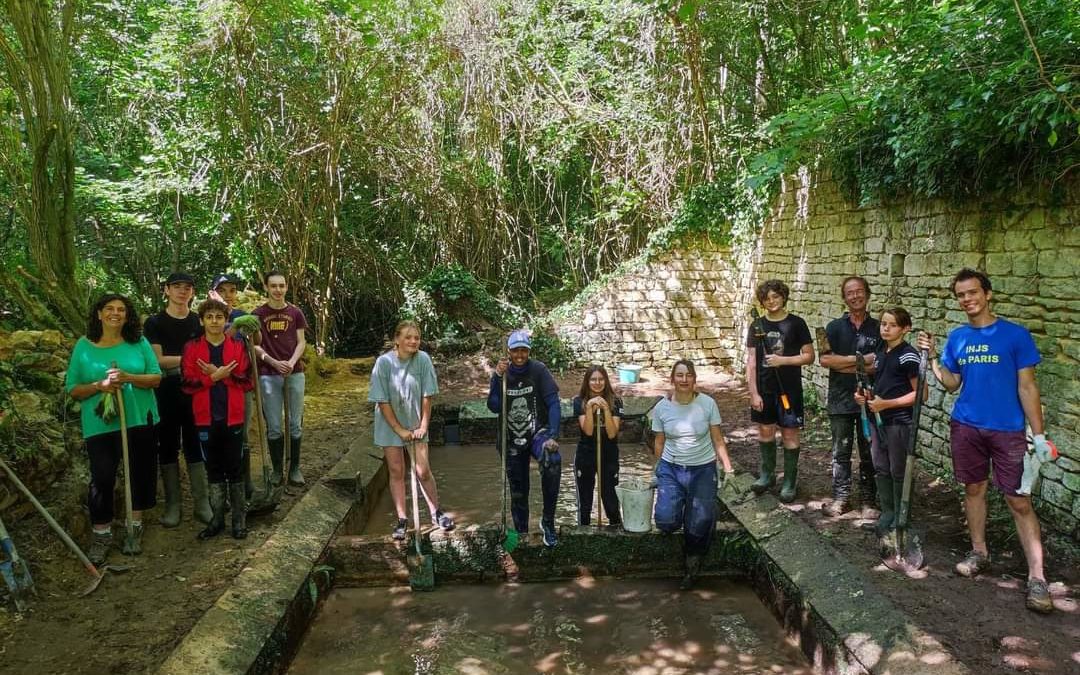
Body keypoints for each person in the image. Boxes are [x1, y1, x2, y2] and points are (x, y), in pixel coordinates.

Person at [918, 268, 1056, 614]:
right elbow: (952, 384)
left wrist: (1037, 435)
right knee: (973, 489)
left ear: (987, 294)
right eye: (961, 295)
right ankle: (979, 552)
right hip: (966, 426)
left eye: (972, 292)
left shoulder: (1015, 336)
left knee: (1019, 501)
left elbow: (1027, 387)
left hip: (1007, 430)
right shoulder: (958, 337)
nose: (967, 299)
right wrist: (934, 358)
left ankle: (1037, 577)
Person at [65, 294, 162, 563]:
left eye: (121, 309)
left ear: (127, 315)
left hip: (140, 418)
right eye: (109, 308)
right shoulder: (83, 347)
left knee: (139, 472)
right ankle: (102, 533)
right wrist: (100, 386)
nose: (115, 313)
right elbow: (73, 389)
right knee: (103, 477)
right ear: (98, 314)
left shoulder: (138, 342)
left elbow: (156, 378)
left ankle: (135, 526)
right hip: (99, 424)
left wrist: (129, 377)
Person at [651, 359, 735, 590]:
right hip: (671, 467)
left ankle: (692, 564)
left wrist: (728, 469)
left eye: (688, 375)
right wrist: (657, 469)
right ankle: (684, 509)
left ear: (694, 379)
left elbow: (718, 439)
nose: (684, 379)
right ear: (672, 379)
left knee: (700, 522)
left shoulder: (707, 404)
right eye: (679, 375)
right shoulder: (662, 408)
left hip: (703, 468)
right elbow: (659, 441)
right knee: (666, 521)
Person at [368, 320, 455, 540]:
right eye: (408, 337)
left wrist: (423, 425)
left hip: (416, 423)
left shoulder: (423, 360)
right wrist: (399, 430)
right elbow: (382, 400)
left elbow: (428, 395)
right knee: (396, 471)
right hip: (390, 424)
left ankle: (436, 513)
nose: (413, 341)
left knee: (422, 470)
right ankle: (402, 520)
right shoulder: (383, 363)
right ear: (396, 339)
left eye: (416, 337)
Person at [181, 299, 254, 540]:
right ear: (201, 320)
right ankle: (217, 519)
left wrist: (222, 374)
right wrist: (213, 377)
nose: (214, 321)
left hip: (233, 416)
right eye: (209, 317)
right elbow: (187, 384)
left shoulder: (237, 346)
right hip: (204, 418)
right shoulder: (192, 348)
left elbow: (247, 381)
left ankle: (239, 520)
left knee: (235, 468)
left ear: (226, 321)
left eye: (219, 317)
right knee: (212, 469)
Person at [144, 272, 211, 526]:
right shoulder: (155, 323)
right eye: (177, 287)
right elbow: (157, 361)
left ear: (193, 292)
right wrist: (190, 361)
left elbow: (208, 355)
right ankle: (173, 505)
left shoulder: (198, 322)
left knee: (196, 444)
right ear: (167, 290)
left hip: (195, 392)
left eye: (187, 287)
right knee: (168, 445)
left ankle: (202, 503)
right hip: (166, 391)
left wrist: (186, 363)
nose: (182, 291)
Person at [487, 330, 562, 547]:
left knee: (552, 460)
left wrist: (553, 436)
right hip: (511, 437)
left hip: (538, 432)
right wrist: (497, 378)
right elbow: (493, 406)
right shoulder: (502, 373)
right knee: (519, 490)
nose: (520, 354)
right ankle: (521, 533)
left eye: (524, 350)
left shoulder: (539, 370)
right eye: (515, 350)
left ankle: (547, 522)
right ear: (509, 351)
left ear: (529, 351)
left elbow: (554, 403)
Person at [854, 307, 921, 538]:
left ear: (905, 328)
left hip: (898, 422)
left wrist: (887, 404)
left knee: (898, 469)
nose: (886, 328)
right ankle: (887, 513)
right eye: (883, 324)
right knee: (881, 466)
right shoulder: (882, 351)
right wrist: (864, 397)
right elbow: (880, 385)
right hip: (877, 419)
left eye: (892, 325)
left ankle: (901, 518)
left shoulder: (909, 355)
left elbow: (921, 394)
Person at [746, 279, 815, 503]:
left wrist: (782, 360)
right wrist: (753, 393)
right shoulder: (757, 326)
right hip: (764, 389)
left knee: (789, 433)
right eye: (767, 299)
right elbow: (751, 362)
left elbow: (809, 356)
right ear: (762, 302)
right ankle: (767, 476)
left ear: (783, 297)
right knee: (765, 431)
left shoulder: (796, 324)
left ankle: (789, 482)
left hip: (789, 390)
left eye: (776, 296)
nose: (772, 301)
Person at [819, 276, 881, 516]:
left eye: (859, 291)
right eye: (850, 293)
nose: (855, 296)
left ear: (867, 294)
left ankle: (868, 501)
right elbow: (825, 360)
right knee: (840, 451)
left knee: (870, 451)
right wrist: (859, 361)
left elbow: (878, 365)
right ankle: (841, 498)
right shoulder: (832, 327)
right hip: (840, 397)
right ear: (844, 298)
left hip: (870, 397)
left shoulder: (879, 327)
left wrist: (841, 363)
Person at [252, 270, 309, 487]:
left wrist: (292, 362)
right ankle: (277, 470)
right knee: (274, 425)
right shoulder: (257, 314)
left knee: (295, 424)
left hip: (294, 372)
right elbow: (255, 345)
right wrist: (273, 362)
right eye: (273, 286)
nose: (278, 290)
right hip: (269, 374)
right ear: (266, 287)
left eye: (282, 285)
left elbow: (301, 341)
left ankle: (294, 468)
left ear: (286, 287)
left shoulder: (295, 313)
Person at [210, 273, 258, 499]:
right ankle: (222, 488)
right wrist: (232, 326)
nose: (227, 295)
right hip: (217, 388)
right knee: (220, 435)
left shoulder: (241, 314)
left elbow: (256, 344)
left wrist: (254, 328)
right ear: (212, 292)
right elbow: (214, 342)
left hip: (242, 385)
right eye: (222, 290)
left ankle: (244, 483)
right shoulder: (209, 317)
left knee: (243, 435)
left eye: (231, 290)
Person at [573, 366, 623, 527]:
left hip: (608, 454)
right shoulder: (579, 401)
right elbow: (587, 431)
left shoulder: (616, 401)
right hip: (586, 454)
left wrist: (606, 409)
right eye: (593, 379)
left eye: (601, 379)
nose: (597, 383)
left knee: (610, 498)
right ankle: (583, 533)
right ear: (587, 382)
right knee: (585, 500)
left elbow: (611, 433)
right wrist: (589, 408)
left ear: (606, 381)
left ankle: (615, 528)